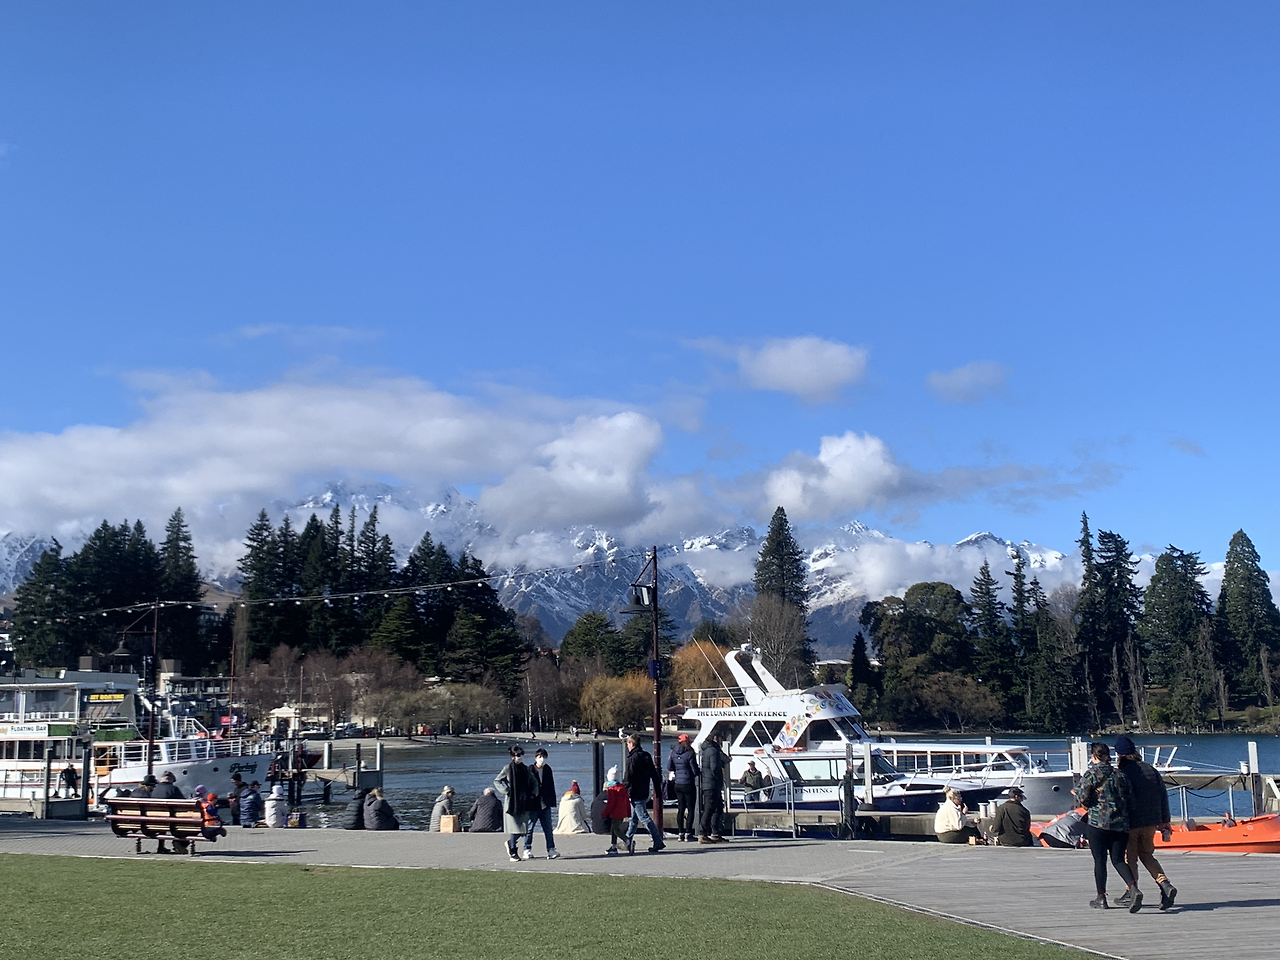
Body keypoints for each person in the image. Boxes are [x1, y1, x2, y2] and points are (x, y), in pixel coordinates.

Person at [1114, 735, 1177, 911]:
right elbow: (1163, 796)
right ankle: (1165, 884)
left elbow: (1121, 799)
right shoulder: (1151, 769)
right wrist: (1165, 821)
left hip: (1131, 822)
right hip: (1151, 821)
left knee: (1130, 857)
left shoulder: (1122, 773)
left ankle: (1132, 891)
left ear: (1120, 755)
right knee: (1147, 855)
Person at [1078, 741, 1140, 911]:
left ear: (1094, 756)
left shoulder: (1091, 774)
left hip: (1098, 824)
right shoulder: (1121, 775)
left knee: (1100, 860)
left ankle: (1101, 897)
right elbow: (1132, 801)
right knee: (1118, 860)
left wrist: (1091, 804)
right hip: (1121, 824)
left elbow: (1081, 796)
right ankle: (1133, 888)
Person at [494, 745, 539, 862]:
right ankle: (513, 852)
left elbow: (534, 781)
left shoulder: (526, 769)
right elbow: (497, 781)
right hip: (512, 803)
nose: (520, 757)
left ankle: (510, 843)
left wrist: (533, 793)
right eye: (518, 755)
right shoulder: (507, 769)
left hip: (524, 801)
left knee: (524, 829)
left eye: (522, 754)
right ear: (513, 756)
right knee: (515, 828)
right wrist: (506, 790)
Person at [622, 733, 665, 853]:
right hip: (644, 790)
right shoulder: (646, 756)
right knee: (633, 818)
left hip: (635, 791)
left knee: (644, 817)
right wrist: (658, 789)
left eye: (628, 743)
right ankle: (627, 840)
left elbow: (629, 776)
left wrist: (623, 789)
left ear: (632, 744)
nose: (627, 746)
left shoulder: (632, 758)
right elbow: (654, 774)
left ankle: (657, 840)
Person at [523, 748, 559, 858]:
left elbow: (551, 786)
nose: (542, 759)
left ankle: (551, 849)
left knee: (548, 828)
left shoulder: (548, 769)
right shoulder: (530, 769)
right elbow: (526, 786)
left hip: (545, 804)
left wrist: (552, 801)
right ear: (535, 758)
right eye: (539, 757)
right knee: (529, 828)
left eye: (544, 757)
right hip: (533, 804)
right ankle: (527, 849)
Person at [665, 733, 700, 841]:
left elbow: (669, 767)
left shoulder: (673, 753)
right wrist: (697, 772)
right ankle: (688, 833)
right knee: (690, 809)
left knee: (680, 808)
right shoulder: (690, 753)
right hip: (688, 783)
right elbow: (694, 770)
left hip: (678, 784)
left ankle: (680, 833)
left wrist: (678, 770)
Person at [697, 731, 729, 843]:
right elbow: (714, 767)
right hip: (712, 784)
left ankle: (715, 832)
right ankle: (702, 833)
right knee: (710, 808)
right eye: (721, 738)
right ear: (715, 738)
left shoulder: (707, 750)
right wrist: (719, 778)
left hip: (709, 783)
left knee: (717, 808)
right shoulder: (713, 751)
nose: (721, 741)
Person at [150, 771, 185, 853]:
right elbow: (183, 803)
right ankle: (180, 843)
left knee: (163, 818)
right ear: (171, 779)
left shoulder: (155, 789)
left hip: (153, 820)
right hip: (170, 821)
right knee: (187, 822)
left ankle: (161, 846)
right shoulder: (174, 789)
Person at [601, 766, 632, 855]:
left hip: (615, 812)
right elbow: (627, 802)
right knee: (614, 829)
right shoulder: (623, 788)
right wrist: (628, 812)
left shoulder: (612, 790)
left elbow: (611, 803)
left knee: (616, 830)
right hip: (622, 812)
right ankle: (613, 847)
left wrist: (605, 812)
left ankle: (627, 841)